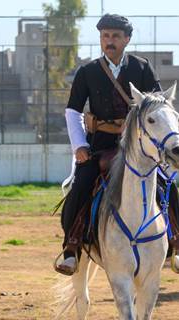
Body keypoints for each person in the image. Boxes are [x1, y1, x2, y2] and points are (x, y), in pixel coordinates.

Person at [56, 14, 179, 275]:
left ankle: (176, 243)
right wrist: (79, 145)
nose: (109, 41)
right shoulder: (87, 72)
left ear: (126, 39)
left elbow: (159, 104)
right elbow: (73, 112)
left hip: (140, 146)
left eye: (114, 36)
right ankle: (72, 246)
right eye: (105, 36)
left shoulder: (142, 67)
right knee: (81, 186)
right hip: (100, 144)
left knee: (169, 184)